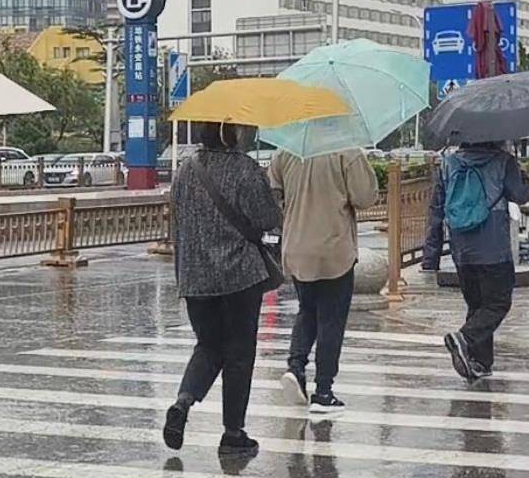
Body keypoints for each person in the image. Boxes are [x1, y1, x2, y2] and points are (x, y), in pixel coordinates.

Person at [162, 120, 281, 455]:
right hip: (239, 276)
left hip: (195, 277)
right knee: (239, 353)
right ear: (231, 134)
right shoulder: (245, 169)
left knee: (209, 346)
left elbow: (178, 218)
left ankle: (183, 402)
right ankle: (233, 433)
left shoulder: (186, 169)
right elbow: (268, 218)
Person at [268, 147, 378, 415]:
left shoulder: (287, 151)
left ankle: (296, 367)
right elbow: (366, 197)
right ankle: (324, 391)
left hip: (296, 246)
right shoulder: (347, 152)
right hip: (333, 248)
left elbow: (272, 189)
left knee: (307, 310)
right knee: (331, 318)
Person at [424, 140, 529, 382]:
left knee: (477, 305)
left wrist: (431, 257)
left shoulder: (448, 163)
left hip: (461, 248)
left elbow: (436, 209)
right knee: (498, 303)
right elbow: (520, 196)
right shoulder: (503, 162)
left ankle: (480, 362)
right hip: (493, 247)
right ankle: (465, 338)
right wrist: (522, 174)